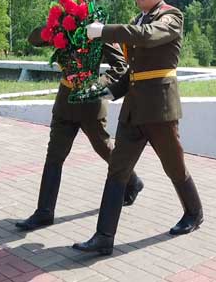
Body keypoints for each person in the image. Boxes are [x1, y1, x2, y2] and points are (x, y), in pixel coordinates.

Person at [72, 0, 203, 255]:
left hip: (159, 109)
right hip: (134, 108)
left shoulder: (171, 17)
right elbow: (133, 70)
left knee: (174, 165)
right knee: (117, 169)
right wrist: (106, 91)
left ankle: (194, 213)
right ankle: (104, 237)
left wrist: (104, 30)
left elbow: (147, 38)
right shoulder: (136, 21)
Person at [14, 28, 144, 231]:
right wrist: (53, 25)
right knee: (54, 156)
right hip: (65, 103)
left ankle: (133, 181)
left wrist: (96, 85)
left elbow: (120, 66)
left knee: (104, 148)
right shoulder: (63, 28)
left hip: (90, 105)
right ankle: (44, 212)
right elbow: (33, 39)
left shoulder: (98, 30)